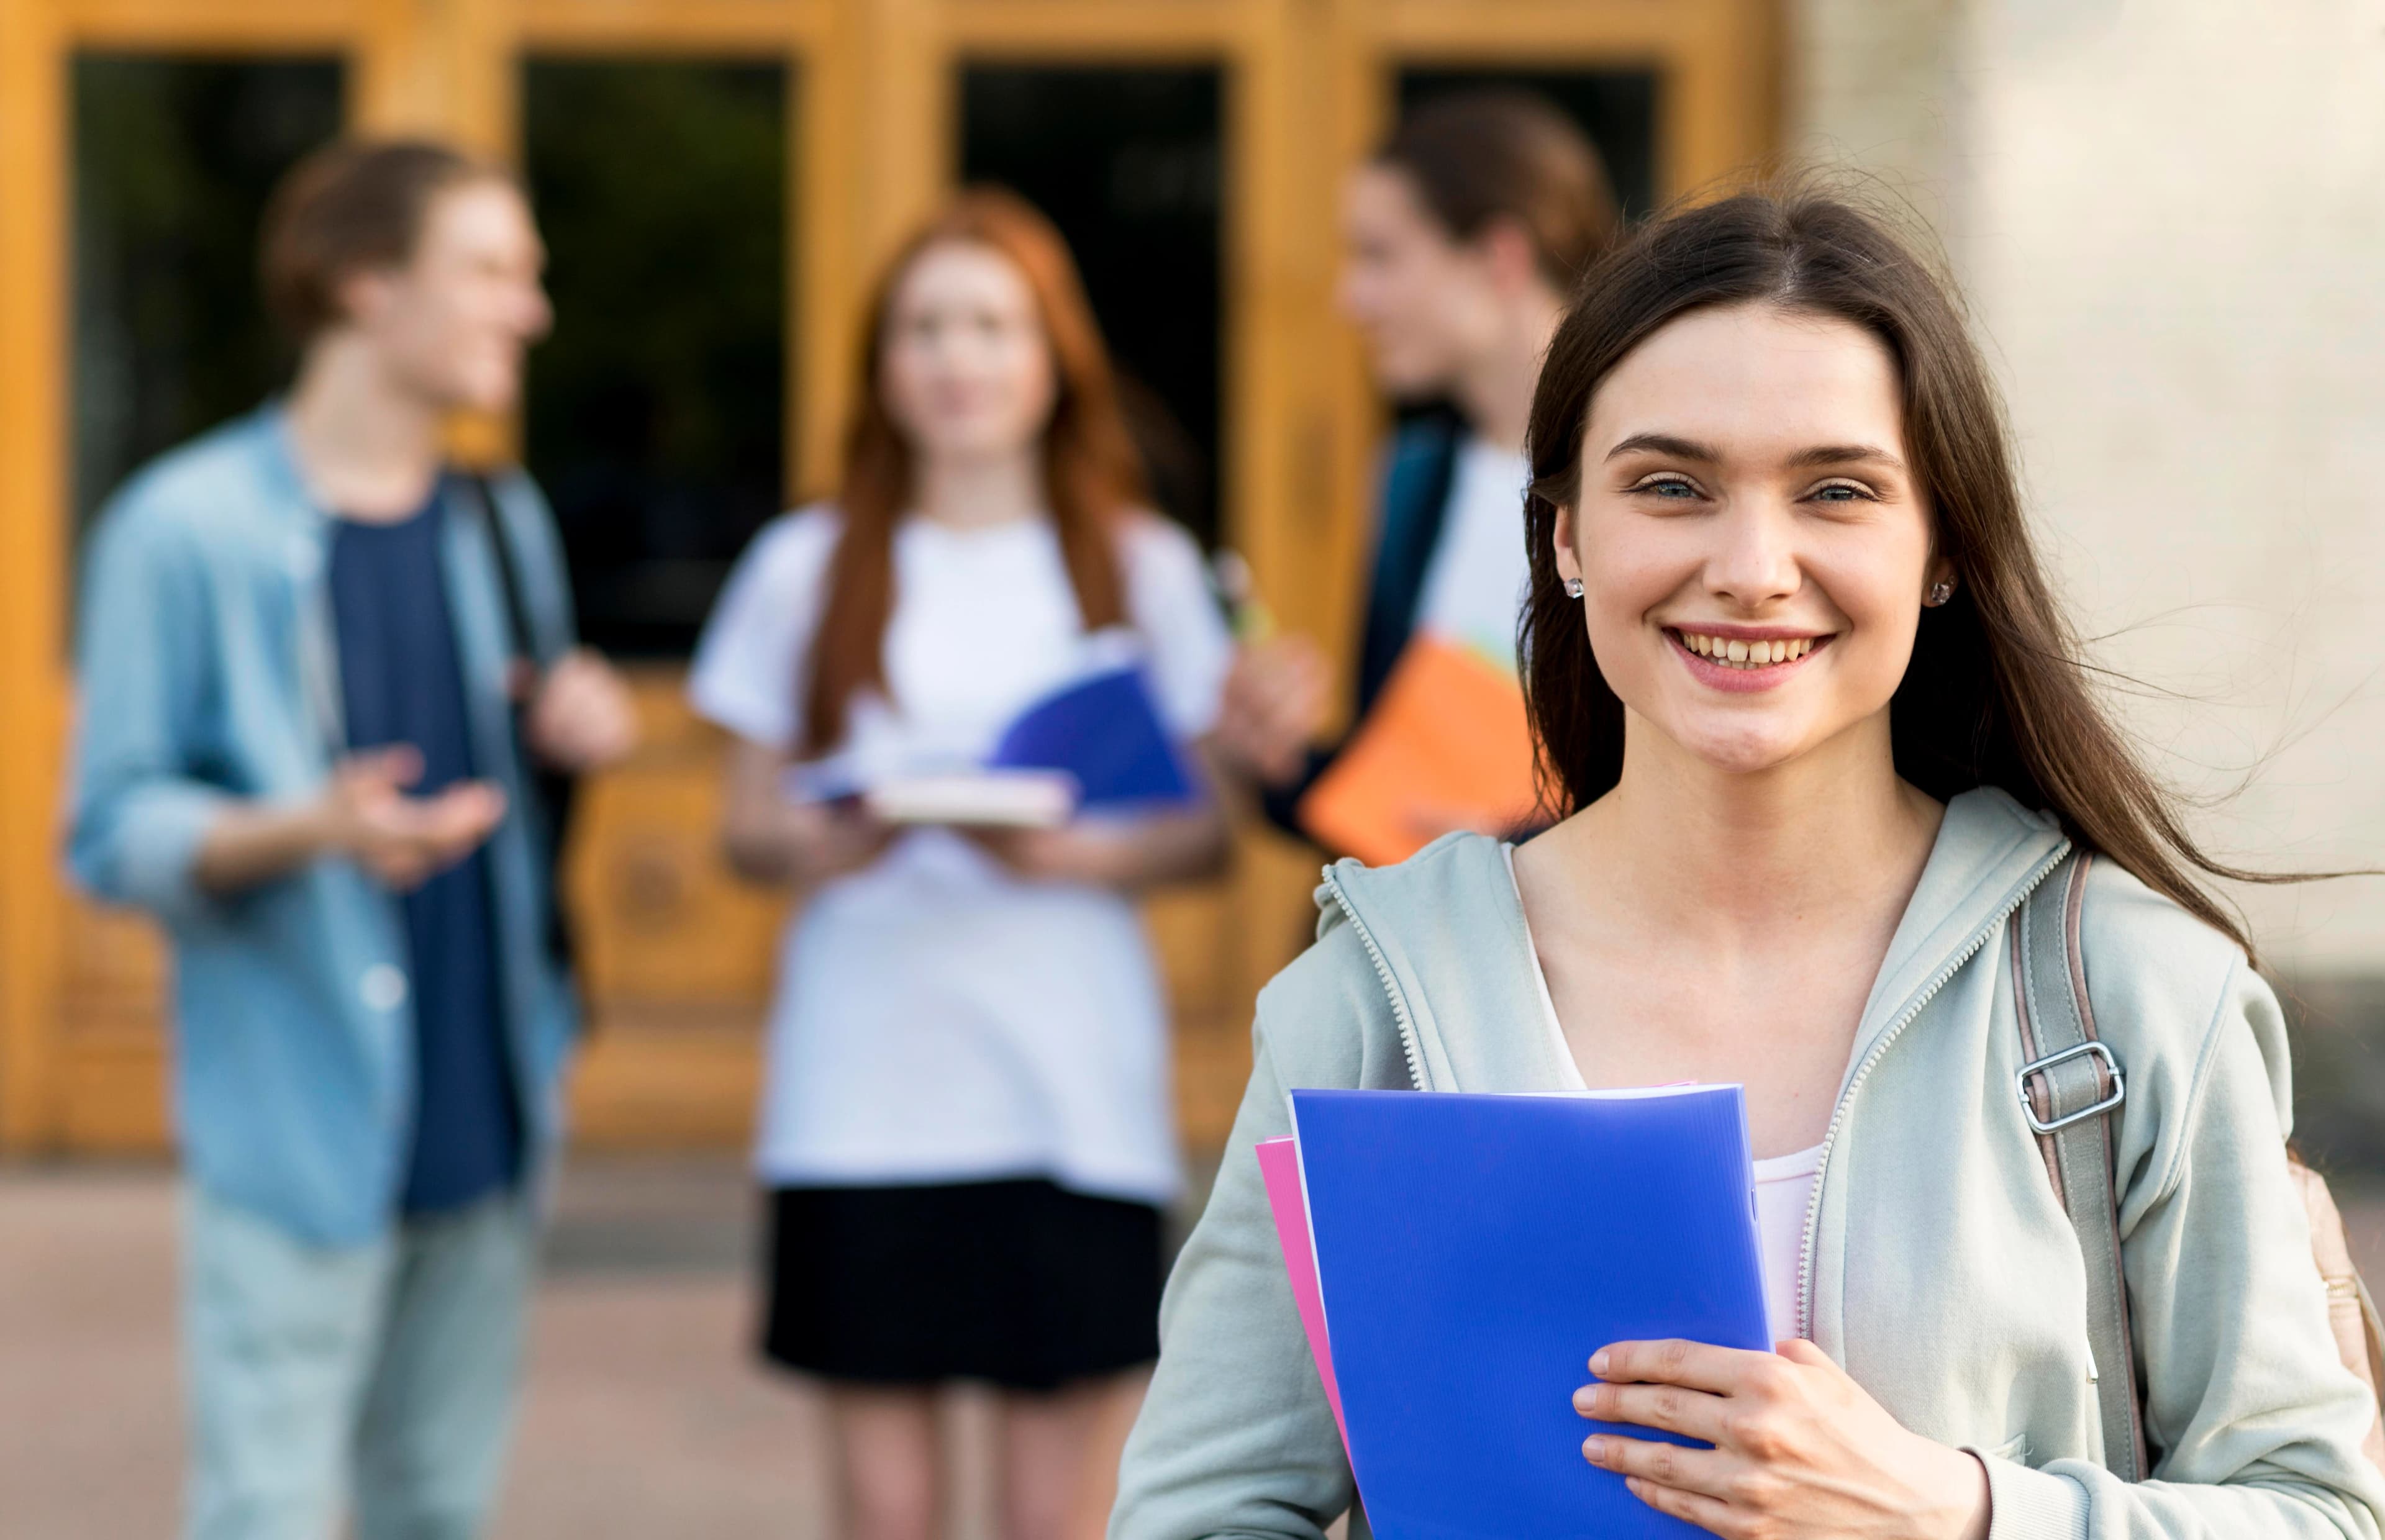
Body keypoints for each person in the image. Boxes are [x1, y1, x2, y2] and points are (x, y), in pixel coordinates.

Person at [1109, 188, 2385, 1540]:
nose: (1751, 566)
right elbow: (1200, 1513)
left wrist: (1951, 1512)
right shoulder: (1369, 996)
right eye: (1673, 485)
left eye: (1836, 490)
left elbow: (2318, 1510)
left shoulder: (2126, 992)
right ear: (1567, 537)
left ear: (1942, 546)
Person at [68, 139, 637, 1540]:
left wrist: (573, 739)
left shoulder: (504, 521)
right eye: (496, 271)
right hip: (296, 1117)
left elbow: (521, 824)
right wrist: (301, 832)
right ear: (366, 287)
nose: (531, 310)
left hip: (492, 1109)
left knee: (439, 1507)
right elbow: (108, 831)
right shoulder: (181, 530)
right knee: (264, 1510)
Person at [688, 188, 1232, 1540]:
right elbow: (746, 823)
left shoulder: (1138, 564)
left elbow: (1208, 827)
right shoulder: (804, 564)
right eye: (924, 326)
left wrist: (1066, 850)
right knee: (888, 1517)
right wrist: (841, 834)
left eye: (990, 324)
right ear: (883, 362)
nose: (956, 357)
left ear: (1053, 358)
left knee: (1065, 1517)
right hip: (863, 1088)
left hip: (1066, 1089)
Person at [1211, 90, 1617, 848]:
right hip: (1424, 944)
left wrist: (1523, 843)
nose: (1348, 297)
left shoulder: (1647, 480)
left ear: (1500, 255)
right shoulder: (1416, 479)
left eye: (1379, 255)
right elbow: (1384, 798)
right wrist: (1272, 757)